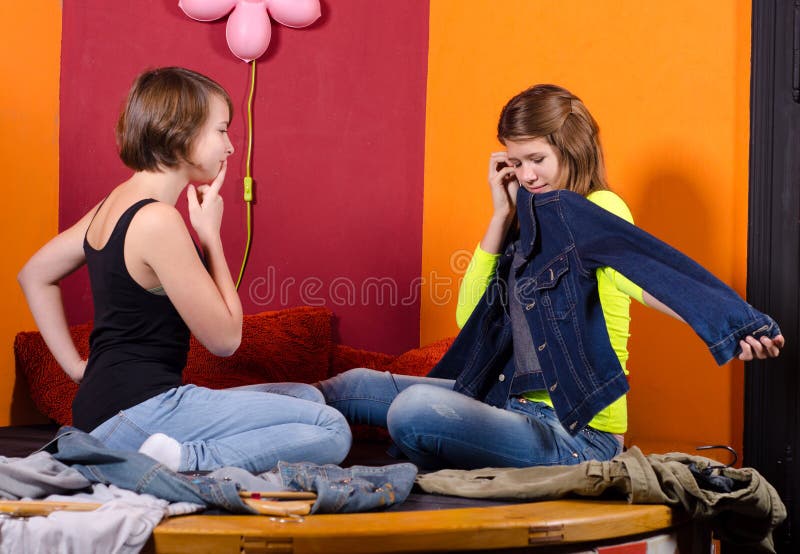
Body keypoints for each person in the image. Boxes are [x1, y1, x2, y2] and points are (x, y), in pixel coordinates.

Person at [318, 84, 784, 470]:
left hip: (576, 434)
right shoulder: (529, 226)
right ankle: (248, 415)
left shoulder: (598, 210)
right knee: (353, 385)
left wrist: (734, 327)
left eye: (536, 158)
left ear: (571, 147)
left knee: (413, 412)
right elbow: (468, 316)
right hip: (505, 403)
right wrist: (500, 215)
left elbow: (648, 276)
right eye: (516, 162)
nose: (527, 174)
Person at [18, 67, 351, 474]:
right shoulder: (158, 220)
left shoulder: (116, 202)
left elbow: (34, 273)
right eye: (222, 131)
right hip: (142, 412)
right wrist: (210, 237)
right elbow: (226, 340)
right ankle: (184, 460)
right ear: (181, 132)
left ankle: (171, 451)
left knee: (306, 400)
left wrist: (75, 368)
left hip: (104, 410)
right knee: (331, 428)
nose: (230, 147)